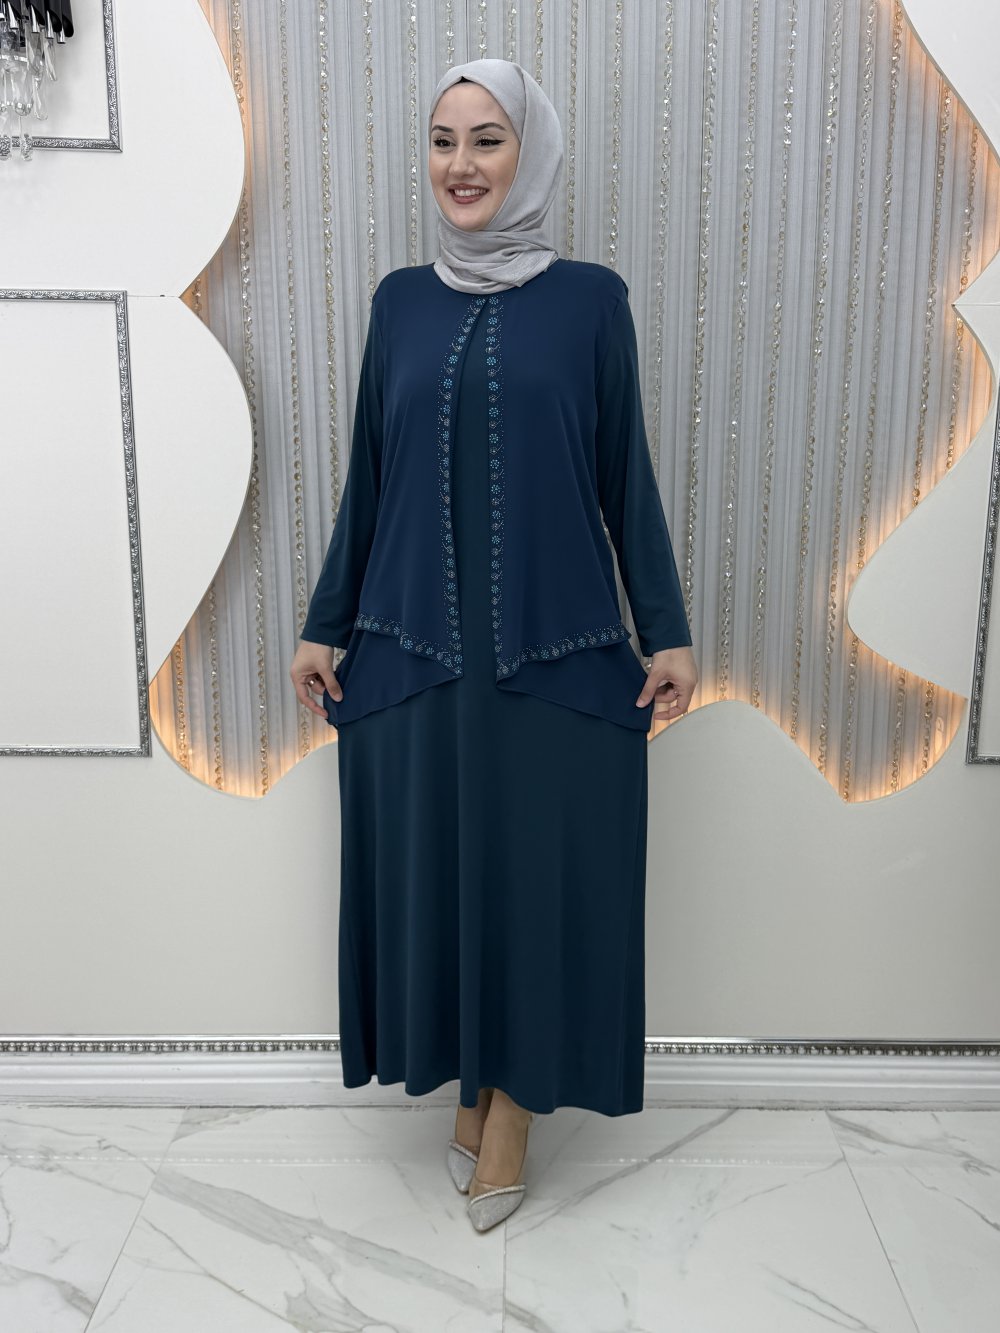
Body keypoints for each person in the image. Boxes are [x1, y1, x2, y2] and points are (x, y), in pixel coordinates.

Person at [290, 58, 698, 1233]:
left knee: (532, 877)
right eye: (442, 140)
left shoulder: (592, 302)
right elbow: (370, 478)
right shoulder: (397, 304)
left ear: (531, 154)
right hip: (414, 647)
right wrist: (325, 620)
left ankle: (512, 1106)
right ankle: (472, 1083)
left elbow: (623, 474)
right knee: (450, 874)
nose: (460, 165)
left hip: (553, 652)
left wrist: (665, 631)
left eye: (486, 139)